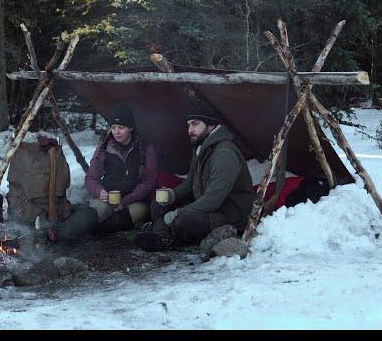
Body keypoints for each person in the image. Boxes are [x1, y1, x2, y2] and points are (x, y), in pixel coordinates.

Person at [134, 101, 255, 252]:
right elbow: (190, 183)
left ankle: (167, 238)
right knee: (158, 205)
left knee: (184, 221)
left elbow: (213, 200)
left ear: (211, 125)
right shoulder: (201, 148)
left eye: (195, 124)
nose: (190, 130)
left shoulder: (225, 153)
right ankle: (161, 235)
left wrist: (177, 213)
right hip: (208, 208)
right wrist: (171, 196)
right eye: (188, 125)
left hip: (229, 214)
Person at [37, 103, 157, 242]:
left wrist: (125, 201)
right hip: (107, 196)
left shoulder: (144, 148)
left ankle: (81, 223)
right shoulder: (105, 147)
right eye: (113, 128)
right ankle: (56, 233)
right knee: (100, 212)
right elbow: (91, 178)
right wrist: (100, 192)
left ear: (131, 127)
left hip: (132, 199)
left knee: (141, 211)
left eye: (121, 128)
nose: (116, 132)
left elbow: (149, 180)